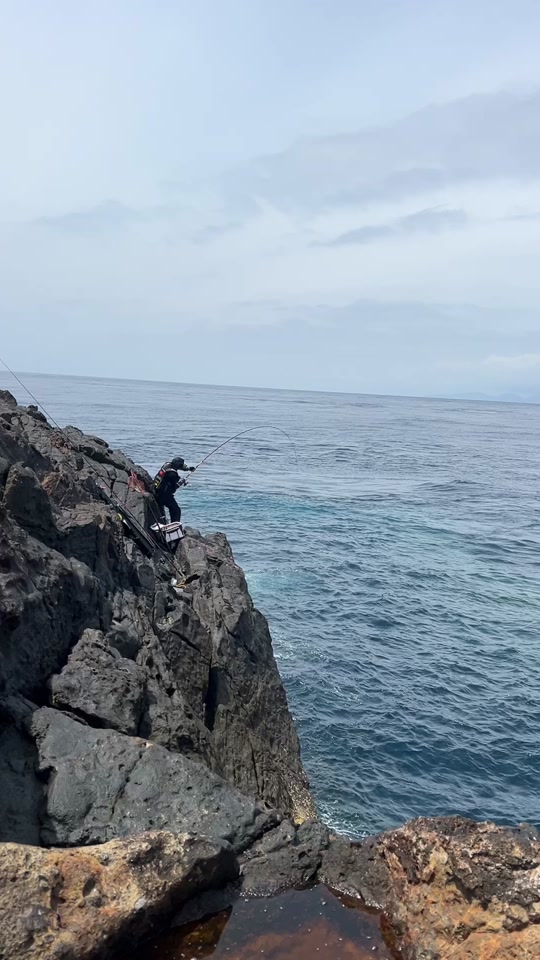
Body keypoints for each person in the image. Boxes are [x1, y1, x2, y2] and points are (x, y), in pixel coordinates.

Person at [153, 456, 195, 523]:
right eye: (181, 465)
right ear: (178, 465)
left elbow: (177, 469)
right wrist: (181, 482)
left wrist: (188, 468)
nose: (181, 466)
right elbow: (173, 488)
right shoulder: (173, 474)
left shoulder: (166, 465)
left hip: (156, 489)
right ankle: (175, 525)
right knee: (176, 510)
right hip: (163, 496)